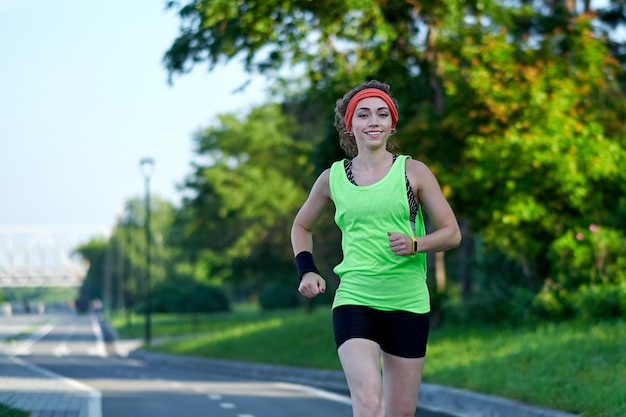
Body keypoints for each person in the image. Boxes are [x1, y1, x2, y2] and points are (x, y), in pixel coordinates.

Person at [291, 80, 462, 417]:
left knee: (399, 413)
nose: (374, 122)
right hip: (355, 300)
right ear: (350, 125)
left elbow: (452, 233)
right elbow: (301, 226)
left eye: (382, 115)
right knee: (369, 402)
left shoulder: (413, 173)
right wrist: (307, 268)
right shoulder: (332, 178)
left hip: (407, 303)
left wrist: (416, 244)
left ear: (391, 124)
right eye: (364, 115)